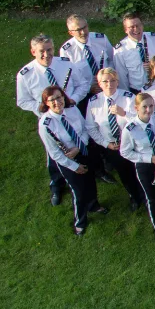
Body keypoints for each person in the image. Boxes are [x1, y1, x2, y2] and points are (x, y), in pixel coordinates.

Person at [18, 34, 87, 203]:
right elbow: (22, 101)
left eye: (49, 50)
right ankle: (57, 184)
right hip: (50, 119)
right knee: (55, 152)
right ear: (33, 51)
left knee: (82, 140)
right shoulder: (25, 75)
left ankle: (94, 170)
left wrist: (72, 100)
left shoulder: (65, 64)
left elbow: (83, 84)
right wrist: (44, 108)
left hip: (71, 113)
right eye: (41, 51)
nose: (46, 55)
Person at [38, 85, 106, 236]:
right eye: (52, 100)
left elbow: (84, 130)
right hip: (67, 160)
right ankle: (80, 221)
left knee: (90, 181)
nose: (57, 102)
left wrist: (78, 148)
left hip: (83, 150)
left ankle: (93, 205)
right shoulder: (45, 125)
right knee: (78, 191)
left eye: (59, 97)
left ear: (63, 97)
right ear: (46, 103)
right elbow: (55, 153)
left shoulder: (72, 109)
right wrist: (74, 166)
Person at [119, 92, 155, 239]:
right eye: (144, 107)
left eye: (151, 106)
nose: (148, 110)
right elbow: (125, 152)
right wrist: (149, 158)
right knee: (152, 197)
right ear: (136, 108)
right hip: (145, 165)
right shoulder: (130, 128)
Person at [84, 68, 139, 210]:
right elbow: (91, 127)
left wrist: (124, 113)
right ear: (99, 84)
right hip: (112, 146)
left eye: (113, 80)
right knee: (124, 172)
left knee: (137, 169)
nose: (109, 84)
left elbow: (140, 121)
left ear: (117, 81)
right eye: (105, 81)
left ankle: (145, 192)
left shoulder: (128, 97)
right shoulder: (94, 102)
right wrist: (105, 144)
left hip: (132, 142)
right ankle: (134, 195)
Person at [113, 13, 155, 93]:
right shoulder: (120, 50)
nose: (136, 29)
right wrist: (127, 96)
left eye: (138, 25)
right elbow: (122, 77)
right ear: (125, 30)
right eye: (131, 27)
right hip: (137, 91)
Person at [60, 14, 114, 95]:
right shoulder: (67, 51)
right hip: (87, 92)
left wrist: (109, 79)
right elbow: (71, 78)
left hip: (109, 86)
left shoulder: (101, 39)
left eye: (84, 27)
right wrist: (89, 88)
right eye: (78, 30)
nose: (83, 32)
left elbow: (112, 60)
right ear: (71, 33)